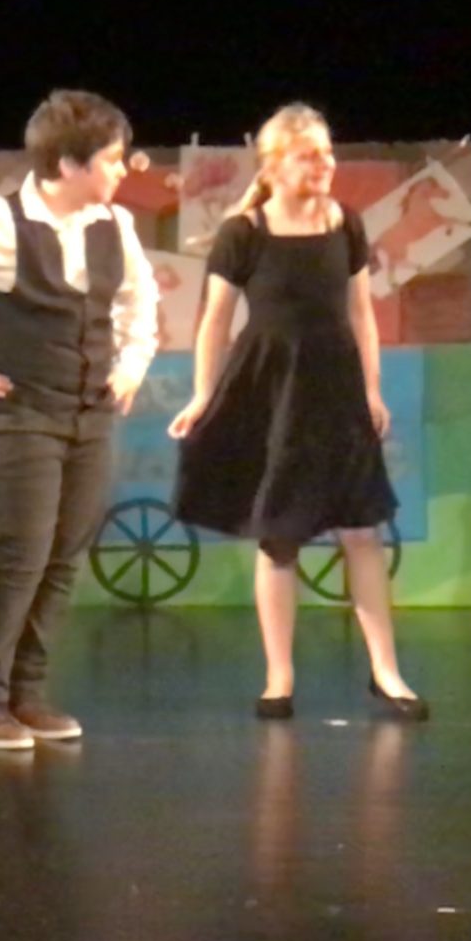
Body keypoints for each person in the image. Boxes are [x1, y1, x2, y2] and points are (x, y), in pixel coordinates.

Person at [0, 89, 158, 750]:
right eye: (111, 159)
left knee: (64, 555)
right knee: (22, 552)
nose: (122, 170)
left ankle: (27, 693)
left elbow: (141, 304)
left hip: (88, 414)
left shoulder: (115, 226)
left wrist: (130, 366)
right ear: (69, 164)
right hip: (18, 413)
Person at [167, 102, 425, 722]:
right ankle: (278, 676)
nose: (324, 165)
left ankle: (386, 671)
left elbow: (361, 314)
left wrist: (371, 389)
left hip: (336, 389)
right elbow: (214, 322)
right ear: (276, 165)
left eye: (327, 154)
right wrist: (203, 393)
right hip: (272, 390)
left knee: (361, 530)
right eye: (310, 156)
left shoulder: (345, 224)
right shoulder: (244, 232)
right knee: (279, 535)